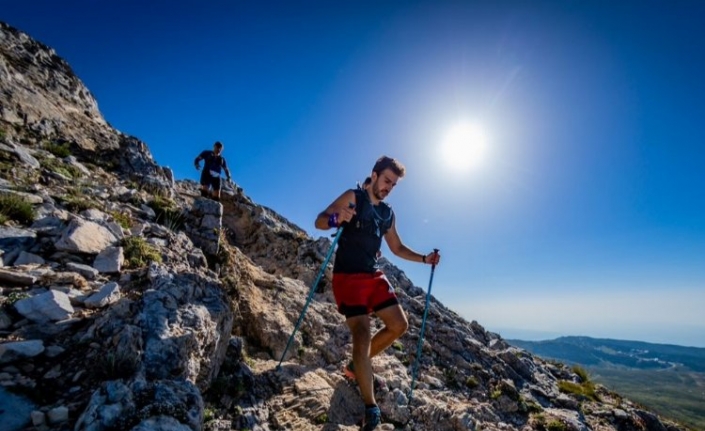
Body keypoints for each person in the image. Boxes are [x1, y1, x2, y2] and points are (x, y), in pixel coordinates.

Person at [315, 156, 440, 430]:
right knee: (361, 334)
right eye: (386, 181)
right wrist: (338, 218)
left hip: (372, 276)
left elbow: (396, 247)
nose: (388, 188)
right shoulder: (354, 196)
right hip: (347, 277)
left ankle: (356, 365)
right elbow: (320, 221)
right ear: (374, 174)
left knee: (399, 325)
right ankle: (371, 408)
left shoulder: (387, 214)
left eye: (393, 185)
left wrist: (424, 259)